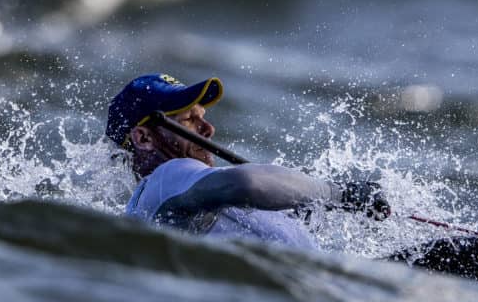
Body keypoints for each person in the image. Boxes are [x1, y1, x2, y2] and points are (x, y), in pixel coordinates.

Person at [105, 73, 389, 249]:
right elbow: (247, 182)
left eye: (203, 117)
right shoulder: (169, 175)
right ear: (143, 138)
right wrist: (336, 193)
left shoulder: (182, 193)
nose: (208, 130)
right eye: (189, 120)